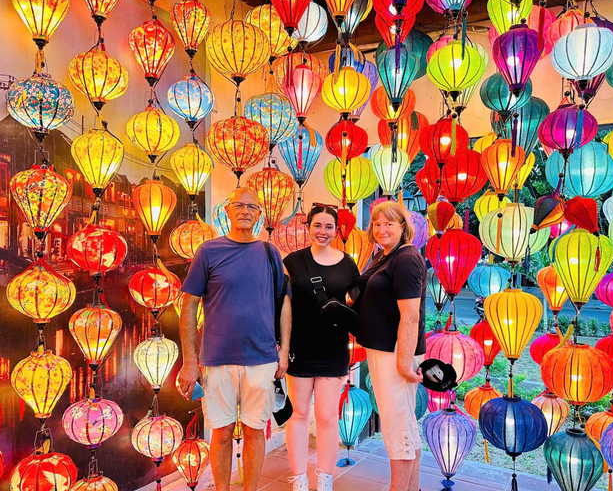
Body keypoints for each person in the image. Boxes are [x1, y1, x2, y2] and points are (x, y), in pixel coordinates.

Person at [176, 187, 291, 491]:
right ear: (226, 210)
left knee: (255, 431)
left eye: (251, 207)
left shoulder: (270, 253)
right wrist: (190, 362)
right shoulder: (208, 251)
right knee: (222, 432)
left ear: (259, 214)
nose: (245, 211)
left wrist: (284, 352)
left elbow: (285, 303)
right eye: (238, 205)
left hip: (262, 359)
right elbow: (189, 306)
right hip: (217, 359)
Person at [282, 205, 360, 491]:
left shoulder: (348, 263)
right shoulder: (293, 261)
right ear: (308, 226)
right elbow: (282, 303)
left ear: (337, 230)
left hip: (334, 347)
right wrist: (280, 345)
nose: (323, 232)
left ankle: (325, 476)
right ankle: (299, 478)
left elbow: (357, 304)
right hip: (299, 346)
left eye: (329, 226)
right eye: (317, 225)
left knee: (327, 416)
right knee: (299, 414)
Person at [356, 201, 426, 491]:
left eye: (389, 223)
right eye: (377, 224)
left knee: (396, 425)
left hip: (396, 351)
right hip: (383, 349)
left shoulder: (406, 259)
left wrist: (403, 364)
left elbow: (410, 317)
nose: (381, 229)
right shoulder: (385, 255)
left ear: (402, 227)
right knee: (404, 423)